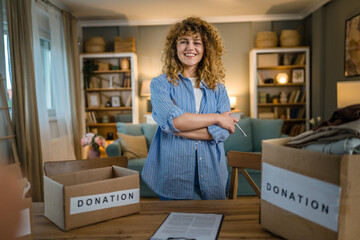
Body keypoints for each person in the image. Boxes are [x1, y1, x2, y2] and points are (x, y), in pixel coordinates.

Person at [142, 17, 238, 200]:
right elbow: (175, 121)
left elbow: (224, 132)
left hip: (213, 174)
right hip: (173, 174)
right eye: (184, 41)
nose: (190, 47)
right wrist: (217, 118)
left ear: (206, 48)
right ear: (174, 47)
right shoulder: (160, 84)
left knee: (215, 225)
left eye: (197, 42)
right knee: (175, 227)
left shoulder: (219, 88)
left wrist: (176, 130)